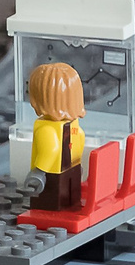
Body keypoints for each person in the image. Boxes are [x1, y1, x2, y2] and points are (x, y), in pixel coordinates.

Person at [28, 61, 89, 207]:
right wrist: (76, 162)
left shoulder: (46, 128)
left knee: (51, 203)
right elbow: (80, 137)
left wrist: (39, 171)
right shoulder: (73, 124)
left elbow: (51, 150)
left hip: (52, 176)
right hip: (72, 169)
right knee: (69, 199)